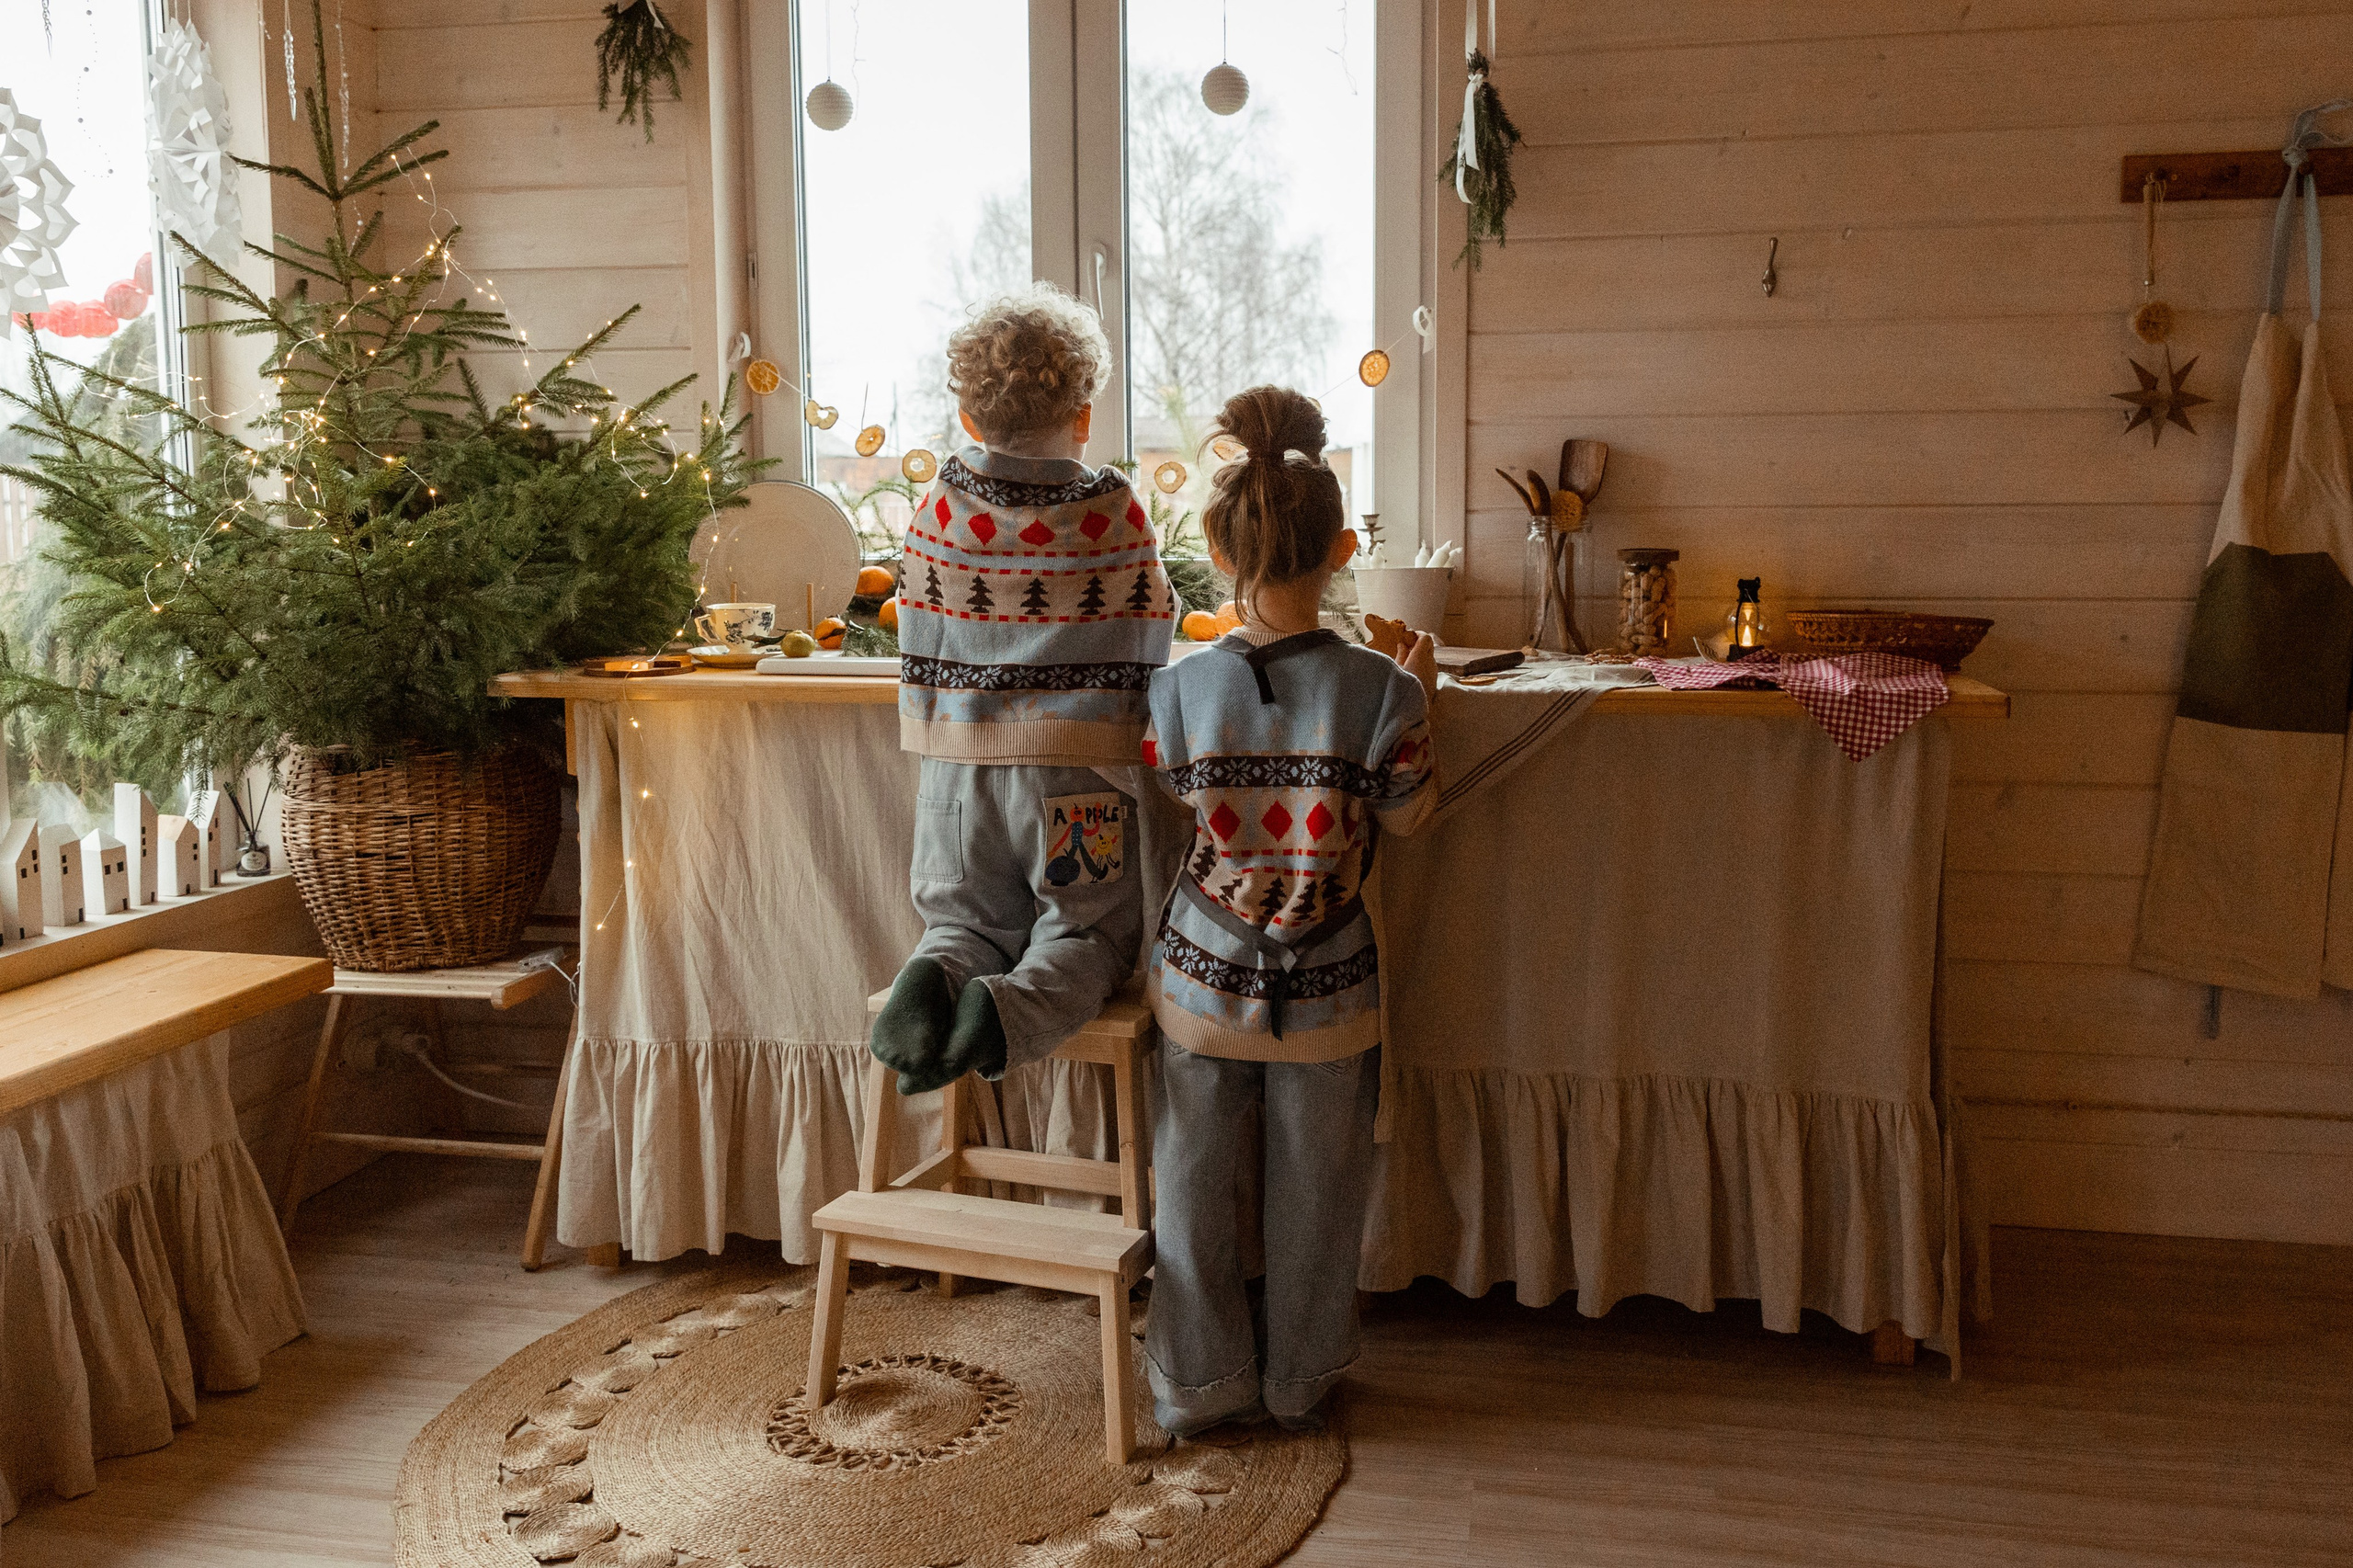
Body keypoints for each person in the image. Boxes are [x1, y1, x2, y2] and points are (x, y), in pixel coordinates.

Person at [1139, 384, 1439, 1436]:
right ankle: (1299, 1377)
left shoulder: (1175, 692)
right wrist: (1423, 694)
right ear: (1345, 545)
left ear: (1220, 553)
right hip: (1330, 989)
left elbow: (1186, 800)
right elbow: (1405, 822)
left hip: (1201, 980)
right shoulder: (1382, 691)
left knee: (1191, 1193)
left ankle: (1196, 1381)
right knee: (1316, 1204)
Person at [870, 286, 1176, 1094]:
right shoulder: (1110, 507)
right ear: (1082, 414)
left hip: (954, 774)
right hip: (1076, 777)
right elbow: (1151, 621)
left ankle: (935, 978)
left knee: (965, 920)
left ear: (969, 419)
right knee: (1091, 937)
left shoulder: (939, 506)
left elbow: (919, 622)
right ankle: (1003, 1017)